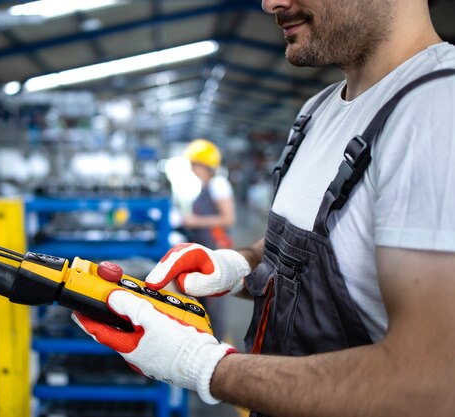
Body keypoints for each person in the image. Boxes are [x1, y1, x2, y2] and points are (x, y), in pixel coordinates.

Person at [72, 0, 455, 415]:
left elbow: (429, 384)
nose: (269, 3)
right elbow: (323, 249)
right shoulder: (317, 111)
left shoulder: (437, 108)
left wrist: (204, 367)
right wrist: (239, 264)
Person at [180, 138, 236, 340]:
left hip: (216, 250)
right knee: (206, 298)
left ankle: (220, 348)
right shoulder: (207, 187)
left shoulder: (218, 185)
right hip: (207, 249)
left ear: (203, 165)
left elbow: (228, 218)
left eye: (193, 164)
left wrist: (194, 221)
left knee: (214, 301)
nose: (192, 169)